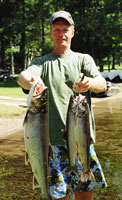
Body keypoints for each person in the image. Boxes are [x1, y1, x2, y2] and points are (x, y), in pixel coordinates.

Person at [18, 10, 107, 200]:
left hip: (82, 140)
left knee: (85, 194)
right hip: (52, 145)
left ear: (72, 32)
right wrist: (30, 80)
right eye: (56, 29)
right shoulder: (41, 62)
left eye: (65, 29)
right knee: (59, 196)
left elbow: (101, 85)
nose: (61, 34)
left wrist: (89, 83)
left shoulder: (84, 59)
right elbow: (23, 77)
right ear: (50, 32)